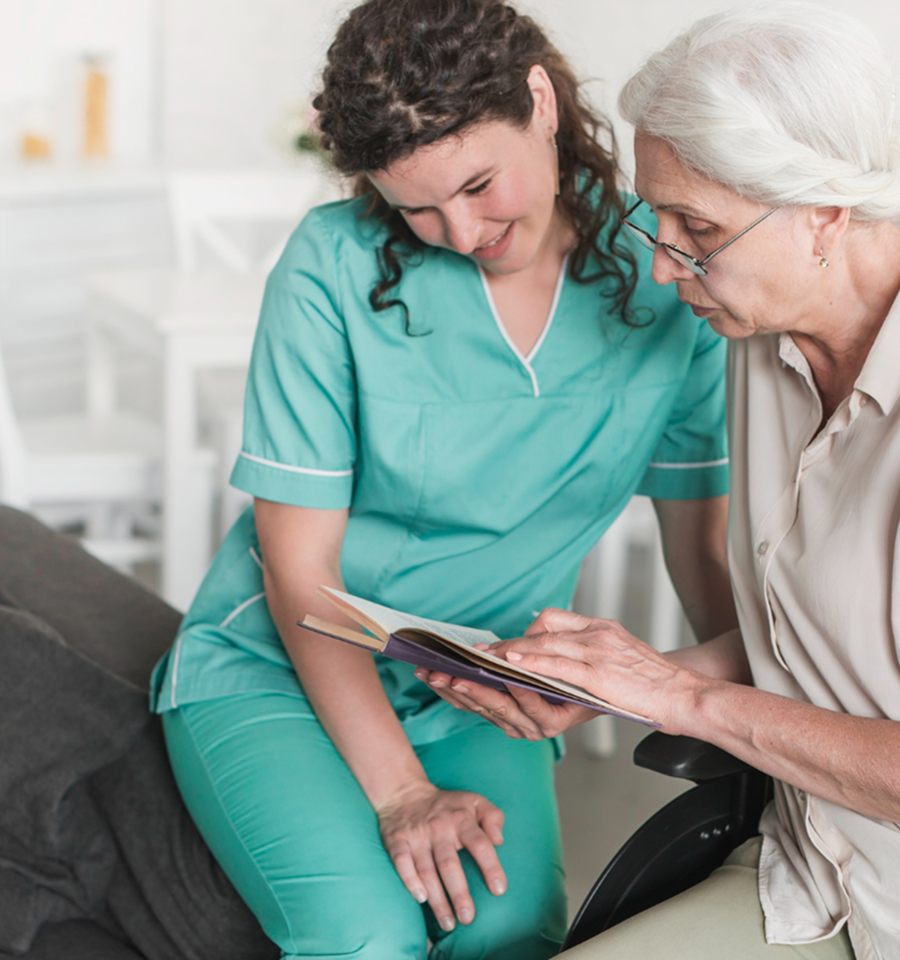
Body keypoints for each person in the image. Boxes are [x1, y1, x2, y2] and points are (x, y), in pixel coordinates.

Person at [149, 1, 737, 958]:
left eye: (477, 184)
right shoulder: (329, 268)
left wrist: (711, 696)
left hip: (479, 690)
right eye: (414, 207)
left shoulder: (665, 274)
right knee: (367, 938)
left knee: (509, 935)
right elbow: (301, 576)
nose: (459, 231)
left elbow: (700, 546)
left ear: (541, 103)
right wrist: (402, 795)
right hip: (278, 673)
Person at [419, 3, 900, 959]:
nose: (659, 258)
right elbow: (829, 651)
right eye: (657, 214)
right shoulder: (758, 338)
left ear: (827, 215)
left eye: (697, 226)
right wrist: (627, 681)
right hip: (807, 873)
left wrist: (684, 703)